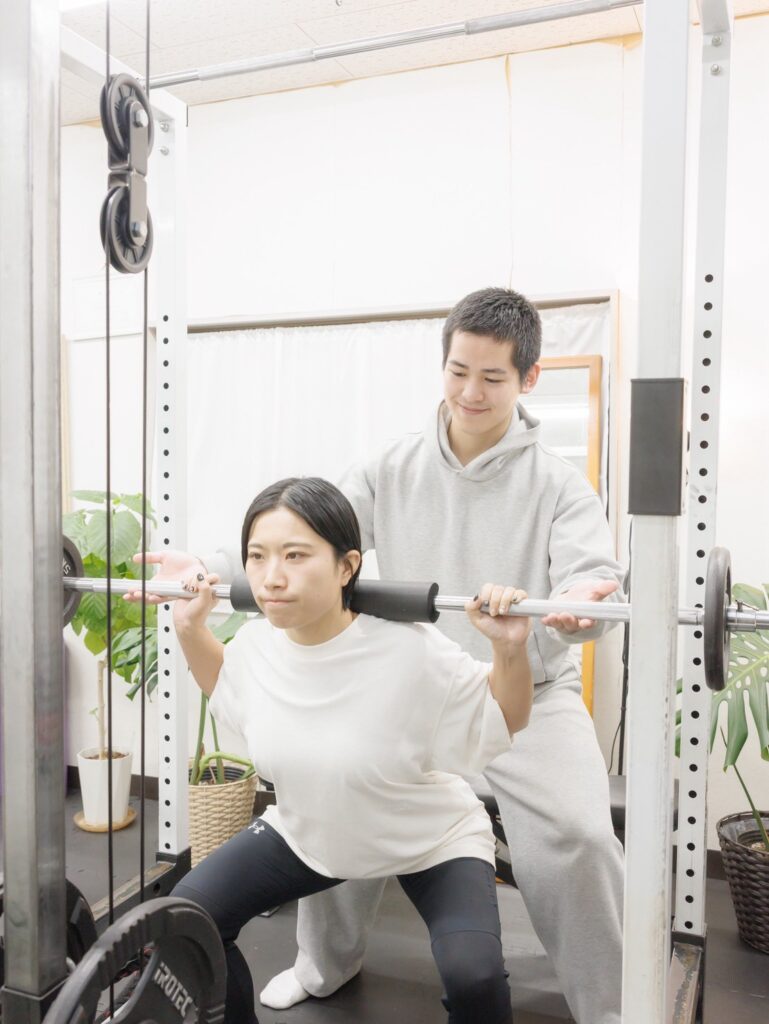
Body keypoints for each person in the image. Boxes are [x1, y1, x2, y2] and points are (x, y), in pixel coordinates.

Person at [130, 286, 626, 1024]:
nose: (470, 392)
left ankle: (607, 1008)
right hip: (406, 683)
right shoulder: (390, 467)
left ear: (528, 378)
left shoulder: (557, 484)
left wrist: (582, 598)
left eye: (492, 377)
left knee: (581, 836)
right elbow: (302, 534)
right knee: (330, 793)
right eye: (458, 371)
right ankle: (324, 964)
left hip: (521, 687)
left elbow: (592, 577)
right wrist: (205, 569)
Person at [170, 475, 533, 1024]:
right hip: (310, 835)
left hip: (430, 840)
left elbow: (506, 715)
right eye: (257, 556)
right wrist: (187, 627)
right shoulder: (256, 646)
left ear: (347, 566)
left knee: (474, 976)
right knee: (190, 921)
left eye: (295, 555)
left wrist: (508, 649)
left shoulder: (409, 650)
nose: (271, 577)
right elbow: (223, 682)